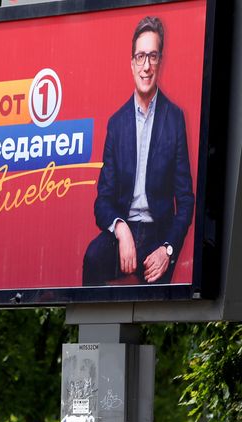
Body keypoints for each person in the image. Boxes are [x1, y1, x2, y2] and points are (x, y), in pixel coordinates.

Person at [82, 16, 194, 286]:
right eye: (141, 57)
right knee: (93, 258)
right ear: (131, 63)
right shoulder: (117, 123)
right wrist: (121, 229)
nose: (146, 66)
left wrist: (167, 249)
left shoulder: (175, 118)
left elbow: (186, 201)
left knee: (154, 296)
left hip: (159, 235)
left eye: (152, 57)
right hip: (126, 231)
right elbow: (102, 202)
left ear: (160, 61)